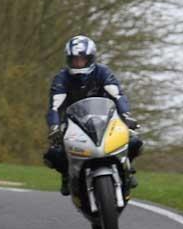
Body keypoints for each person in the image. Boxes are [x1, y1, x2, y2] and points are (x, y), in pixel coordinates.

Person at [44, 35, 143, 195]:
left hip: (105, 118)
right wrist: (54, 128)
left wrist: (127, 115)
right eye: (74, 59)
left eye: (81, 59)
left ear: (90, 58)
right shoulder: (61, 78)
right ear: (68, 59)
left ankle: (127, 169)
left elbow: (118, 95)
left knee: (134, 141)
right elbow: (54, 106)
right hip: (72, 122)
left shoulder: (102, 72)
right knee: (53, 154)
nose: (78, 63)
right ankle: (67, 175)